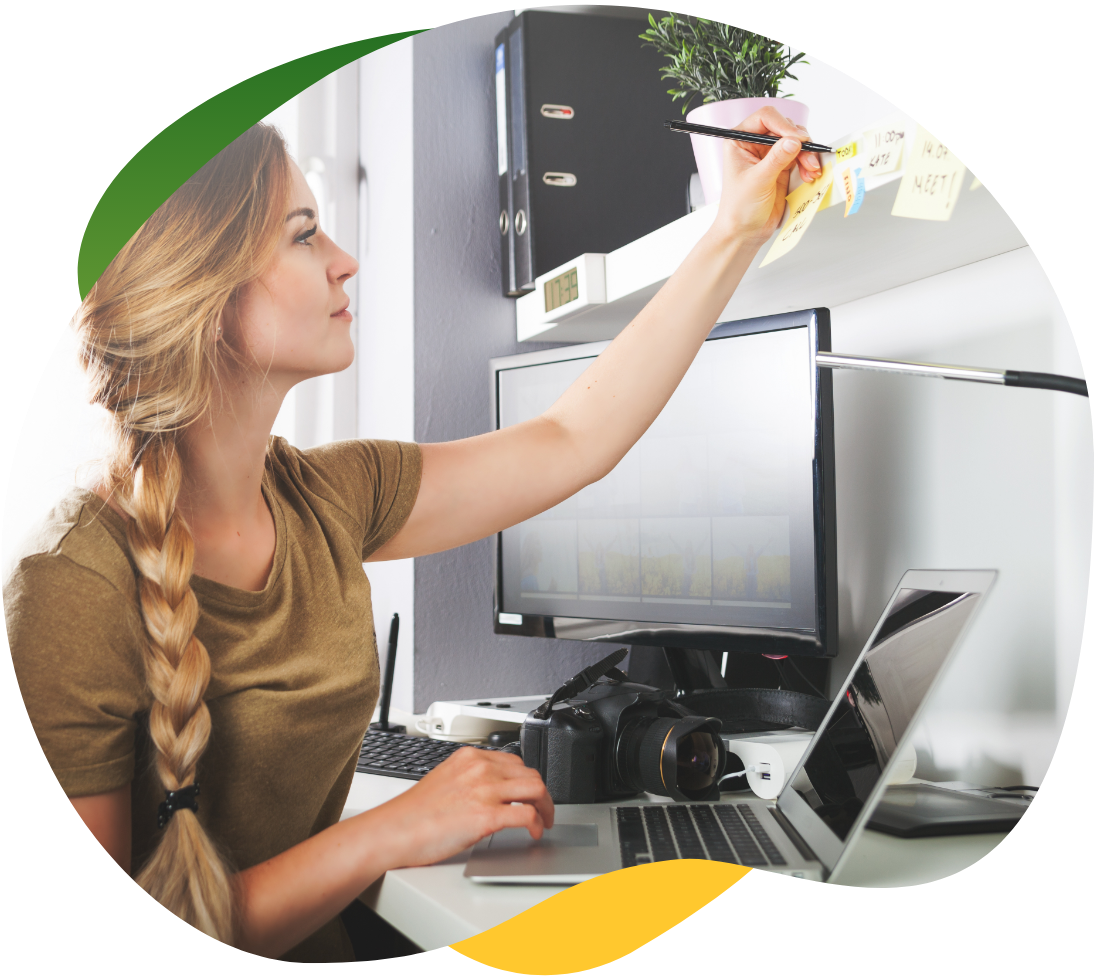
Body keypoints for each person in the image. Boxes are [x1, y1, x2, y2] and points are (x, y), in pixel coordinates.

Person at [6, 107, 820, 960]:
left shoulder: (330, 496)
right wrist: (392, 831)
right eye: (304, 236)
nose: (343, 261)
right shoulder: (69, 583)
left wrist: (733, 229)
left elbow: (573, 441)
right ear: (207, 297)